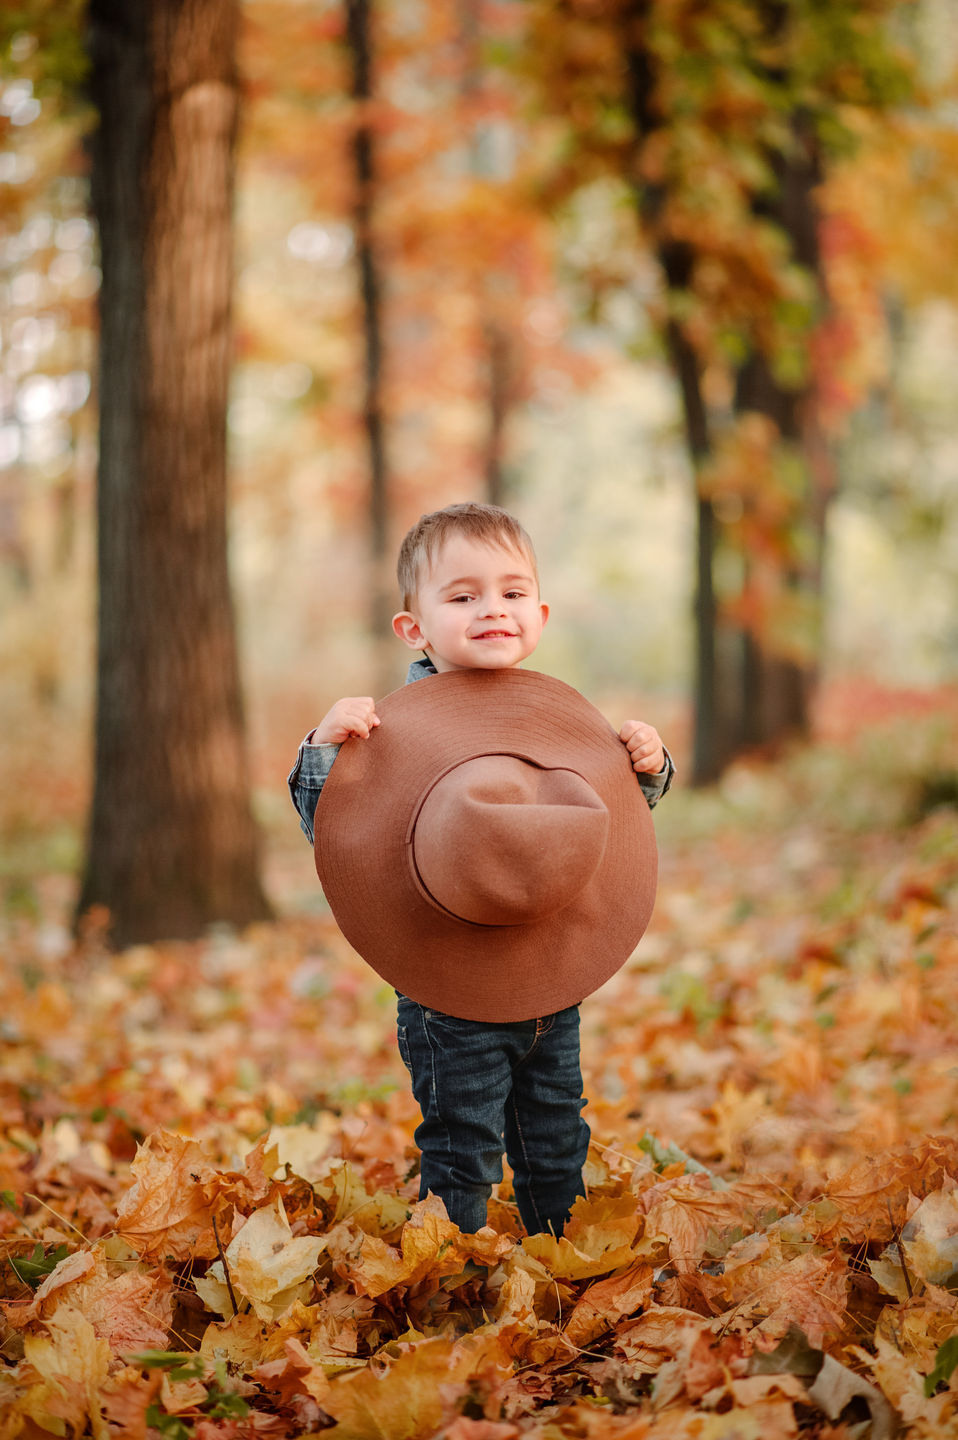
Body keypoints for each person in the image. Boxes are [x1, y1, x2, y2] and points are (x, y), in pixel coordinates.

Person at [288, 502, 673, 1237]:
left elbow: (610, 816)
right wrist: (325, 752)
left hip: (548, 965)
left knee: (556, 1132)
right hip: (447, 988)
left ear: (540, 614)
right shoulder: (386, 730)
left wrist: (647, 765)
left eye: (513, 592)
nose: (493, 609)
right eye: (463, 596)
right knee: (462, 1143)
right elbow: (337, 833)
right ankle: (448, 1258)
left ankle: (561, 1253)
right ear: (415, 628)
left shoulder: (553, 716)